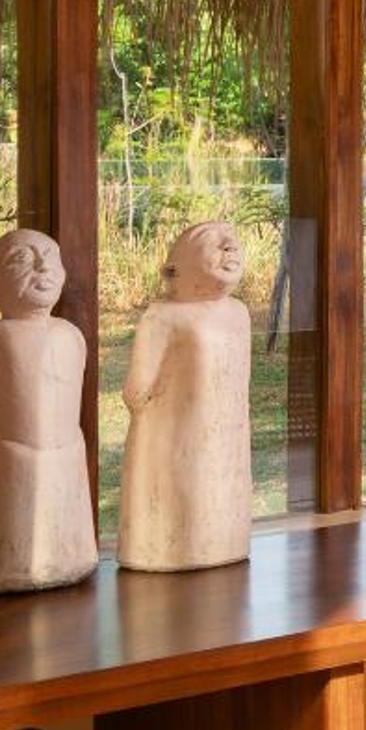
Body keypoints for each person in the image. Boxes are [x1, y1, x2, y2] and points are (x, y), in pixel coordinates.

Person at [0, 229, 98, 592]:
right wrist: (11, 440)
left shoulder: (71, 334)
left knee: (67, 524)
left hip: (68, 451)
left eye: (50, 257)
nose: (42, 266)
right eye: (21, 259)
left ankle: (74, 558)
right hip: (11, 454)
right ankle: (7, 567)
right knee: (12, 529)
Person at [118, 221, 255, 572]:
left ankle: (222, 543)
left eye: (233, 241)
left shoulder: (238, 313)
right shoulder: (163, 316)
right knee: (182, 514)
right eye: (213, 242)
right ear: (176, 268)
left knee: (220, 502)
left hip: (228, 440)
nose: (230, 247)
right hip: (176, 440)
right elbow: (136, 392)